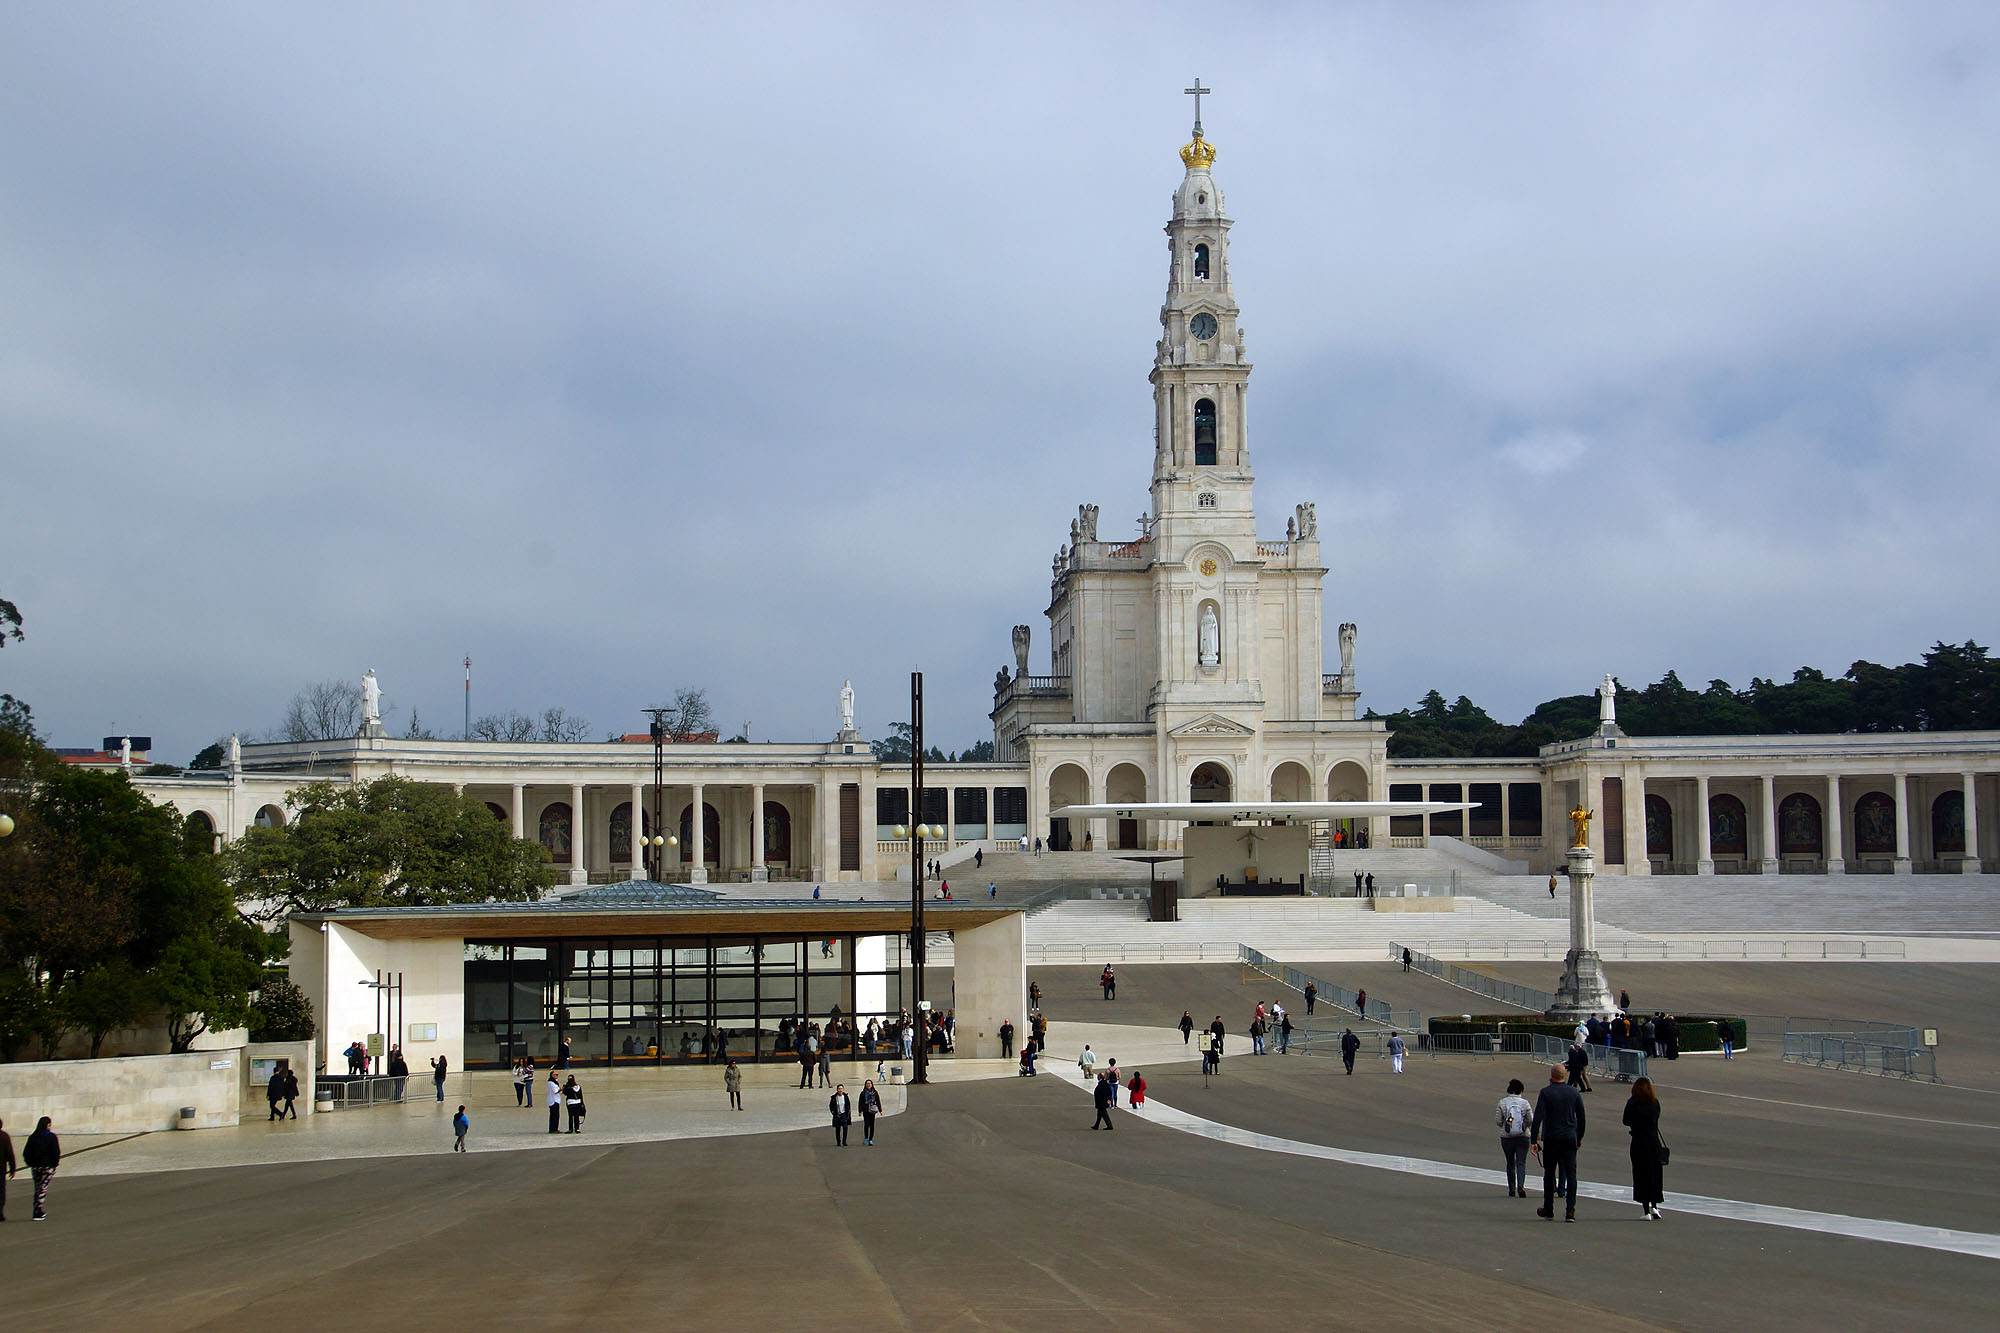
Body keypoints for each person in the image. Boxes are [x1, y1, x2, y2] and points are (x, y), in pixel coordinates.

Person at [1531, 1064, 1587, 1221]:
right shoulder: (1574, 1092)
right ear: (1564, 1075)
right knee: (1571, 1173)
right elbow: (1581, 1117)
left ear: (1551, 1075)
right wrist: (1579, 1137)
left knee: (1549, 1174)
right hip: (1569, 1137)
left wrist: (1534, 1138)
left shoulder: (1546, 1092)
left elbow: (1538, 1117)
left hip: (1552, 1138)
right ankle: (1570, 1210)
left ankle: (1548, 1207)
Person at [1623, 1076, 1666, 1219]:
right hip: (1654, 1143)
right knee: (1655, 1175)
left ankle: (1646, 1210)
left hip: (1639, 1143)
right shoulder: (1655, 1103)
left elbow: (1625, 1120)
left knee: (1641, 1175)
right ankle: (1655, 1206)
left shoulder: (1633, 1103)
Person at [1495, 1078, 1534, 1198]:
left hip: (1507, 1137)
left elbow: (1498, 1121)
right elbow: (1530, 1119)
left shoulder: (1502, 1102)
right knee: (1521, 1162)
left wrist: (1506, 1126)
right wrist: (1524, 1127)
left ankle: (1511, 1188)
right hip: (1523, 1136)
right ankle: (1521, 1185)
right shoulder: (1525, 1103)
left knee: (1510, 1162)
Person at [23, 1116, 58, 1221]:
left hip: (36, 1167)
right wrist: (54, 1164)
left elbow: (26, 1153)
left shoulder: (33, 1137)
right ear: (48, 1125)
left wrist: (31, 1163)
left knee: (38, 1187)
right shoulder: (51, 1137)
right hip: (47, 1166)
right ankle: (38, 1210)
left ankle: (37, 1208)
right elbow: (56, 1152)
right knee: (43, 1188)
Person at [860, 1080, 883, 1145]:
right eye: (867, 1083)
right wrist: (860, 1111)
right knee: (866, 1124)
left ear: (872, 1084)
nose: (868, 1085)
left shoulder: (875, 1092)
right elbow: (860, 1102)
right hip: (865, 1110)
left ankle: (870, 1139)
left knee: (872, 1125)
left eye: (869, 1083)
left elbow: (878, 1101)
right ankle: (866, 1137)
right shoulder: (863, 1093)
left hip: (872, 1110)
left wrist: (880, 1110)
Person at [0, 1118, 13, 1222]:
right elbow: (9, 1153)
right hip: (1, 1169)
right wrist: (13, 1168)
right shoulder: (4, 1136)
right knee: (1, 1191)